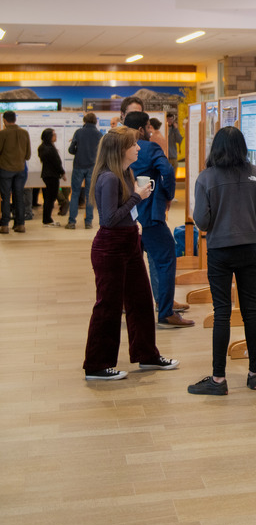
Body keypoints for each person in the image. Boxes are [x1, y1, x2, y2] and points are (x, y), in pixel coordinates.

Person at [82, 126, 178, 381]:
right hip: (111, 246)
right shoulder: (109, 178)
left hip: (129, 242)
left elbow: (122, 213)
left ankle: (147, 354)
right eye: (134, 145)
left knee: (142, 302)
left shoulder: (126, 172)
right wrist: (137, 196)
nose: (138, 148)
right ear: (120, 150)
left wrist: (136, 200)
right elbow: (109, 219)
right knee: (108, 306)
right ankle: (97, 364)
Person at [189, 125, 256, 395]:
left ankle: (218, 380)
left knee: (222, 313)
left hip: (220, 252)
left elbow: (202, 222)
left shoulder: (206, 178)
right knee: (250, 311)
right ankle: (254, 374)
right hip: (250, 249)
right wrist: (247, 221)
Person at [124, 111, 193, 329]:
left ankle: (131, 305)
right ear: (142, 129)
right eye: (148, 127)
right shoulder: (149, 147)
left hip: (126, 215)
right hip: (150, 214)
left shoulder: (116, 148)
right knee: (166, 257)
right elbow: (168, 171)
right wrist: (167, 195)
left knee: (131, 263)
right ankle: (165, 312)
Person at [66, 111, 102, 229]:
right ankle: (88, 222)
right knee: (89, 195)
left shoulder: (79, 132)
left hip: (78, 166)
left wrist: (78, 151)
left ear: (84, 121)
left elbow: (71, 150)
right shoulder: (99, 134)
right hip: (92, 167)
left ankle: (72, 222)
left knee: (75, 193)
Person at [0, 110, 31, 234]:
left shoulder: (3, 134)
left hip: (5, 170)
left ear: (4, 120)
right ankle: (20, 224)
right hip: (20, 170)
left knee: (6, 197)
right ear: (15, 119)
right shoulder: (24, 133)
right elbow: (28, 155)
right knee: (19, 197)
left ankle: (5, 225)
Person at [38, 129, 65, 228]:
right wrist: (62, 172)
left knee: (48, 198)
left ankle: (47, 219)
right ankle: (47, 219)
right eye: (54, 134)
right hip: (52, 175)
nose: (55, 136)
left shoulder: (42, 147)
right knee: (51, 198)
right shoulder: (50, 149)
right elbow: (56, 162)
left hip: (46, 175)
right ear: (49, 136)